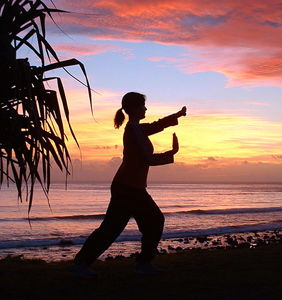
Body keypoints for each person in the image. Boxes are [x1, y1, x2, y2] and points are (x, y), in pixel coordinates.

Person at [71, 92, 187, 277]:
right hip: (128, 188)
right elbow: (147, 158)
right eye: (143, 105)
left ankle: (83, 264)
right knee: (150, 221)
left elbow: (157, 125)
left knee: (114, 228)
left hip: (130, 187)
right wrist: (171, 153)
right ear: (135, 108)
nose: (146, 109)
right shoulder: (133, 130)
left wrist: (177, 116)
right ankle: (141, 263)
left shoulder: (138, 129)